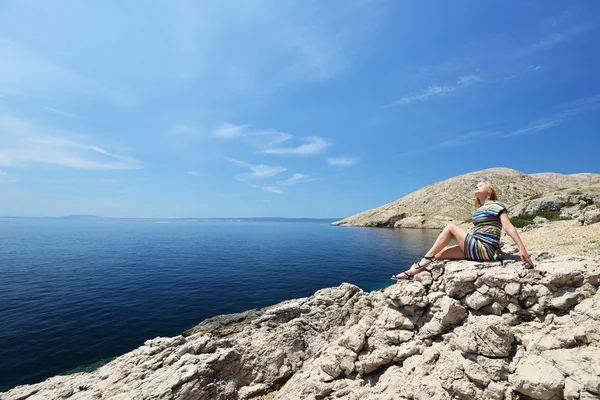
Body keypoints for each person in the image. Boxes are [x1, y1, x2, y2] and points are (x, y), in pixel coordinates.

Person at [392, 181, 534, 280]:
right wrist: (497, 248)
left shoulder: (497, 205)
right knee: (440, 254)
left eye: (481, 185)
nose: (476, 186)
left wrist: (522, 248)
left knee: (450, 227)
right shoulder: (479, 209)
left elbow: (507, 226)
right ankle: (416, 273)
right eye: (475, 186)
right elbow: (489, 229)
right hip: (480, 247)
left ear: (489, 191)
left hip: (482, 248)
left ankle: (417, 267)